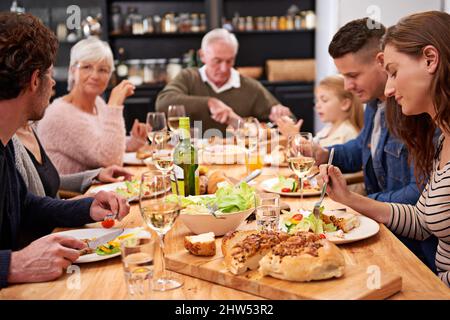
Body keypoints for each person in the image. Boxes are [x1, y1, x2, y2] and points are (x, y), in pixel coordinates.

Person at [319, 11, 450, 287]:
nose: (389, 90)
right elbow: (422, 220)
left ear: (430, 59)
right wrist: (349, 199)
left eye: (394, 72)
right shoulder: (442, 141)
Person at [0, 12, 130, 288]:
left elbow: (26, 205)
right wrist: (12, 265)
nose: (54, 84)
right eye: (49, 74)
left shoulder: (7, 141)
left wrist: (87, 207)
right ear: (36, 80)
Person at [37, 37, 147, 175]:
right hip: (71, 195)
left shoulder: (97, 103)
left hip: (97, 189)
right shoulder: (60, 114)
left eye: (102, 70)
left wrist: (135, 140)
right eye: (87, 67)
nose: (95, 75)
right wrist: (114, 106)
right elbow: (111, 160)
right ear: (72, 70)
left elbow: (104, 144)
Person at [155, 28, 292, 134]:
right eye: (217, 61)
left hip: (235, 161)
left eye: (229, 60)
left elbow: (292, 124)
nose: (224, 68)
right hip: (192, 157)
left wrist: (282, 114)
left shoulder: (251, 87)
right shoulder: (188, 78)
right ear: (202, 55)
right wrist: (209, 103)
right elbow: (162, 103)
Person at [14, 123, 133, 198]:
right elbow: (32, 212)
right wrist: (78, 204)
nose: (53, 83)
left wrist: (96, 174)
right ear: (33, 84)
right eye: (48, 80)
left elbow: (50, 183)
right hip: (54, 231)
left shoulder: (31, 128)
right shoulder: (12, 142)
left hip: (60, 226)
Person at [276, 75, 364, 147]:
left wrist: (295, 136)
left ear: (345, 104)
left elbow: (314, 157)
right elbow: (307, 152)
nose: (317, 105)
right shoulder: (326, 130)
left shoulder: (349, 134)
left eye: (324, 100)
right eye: (317, 101)